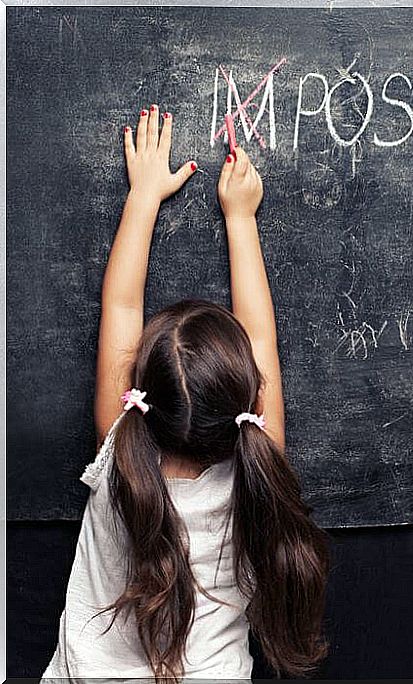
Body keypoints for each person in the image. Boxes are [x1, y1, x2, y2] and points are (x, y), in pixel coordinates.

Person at [40, 104, 330, 681]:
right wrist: (241, 217)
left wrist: (144, 195)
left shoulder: (120, 452)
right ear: (254, 401)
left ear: (136, 395)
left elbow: (121, 306)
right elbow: (262, 335)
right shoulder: (257, 476)